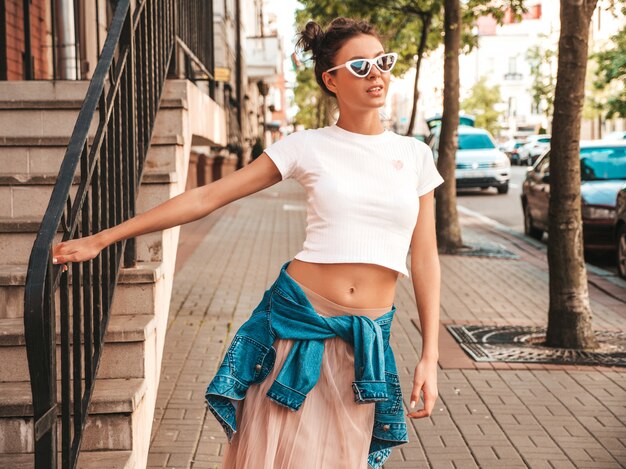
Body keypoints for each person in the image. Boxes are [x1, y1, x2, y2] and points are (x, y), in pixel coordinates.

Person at [52, 16, 443, 469]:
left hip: (366, 341)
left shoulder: (415, 155)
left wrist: (429, 357)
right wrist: (103, 239)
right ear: (330, 79)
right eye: (360, 66)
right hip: (297, 328)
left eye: (382, 61)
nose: (376, 73)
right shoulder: (306, 146)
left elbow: (424, 256)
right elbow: (207, 196)